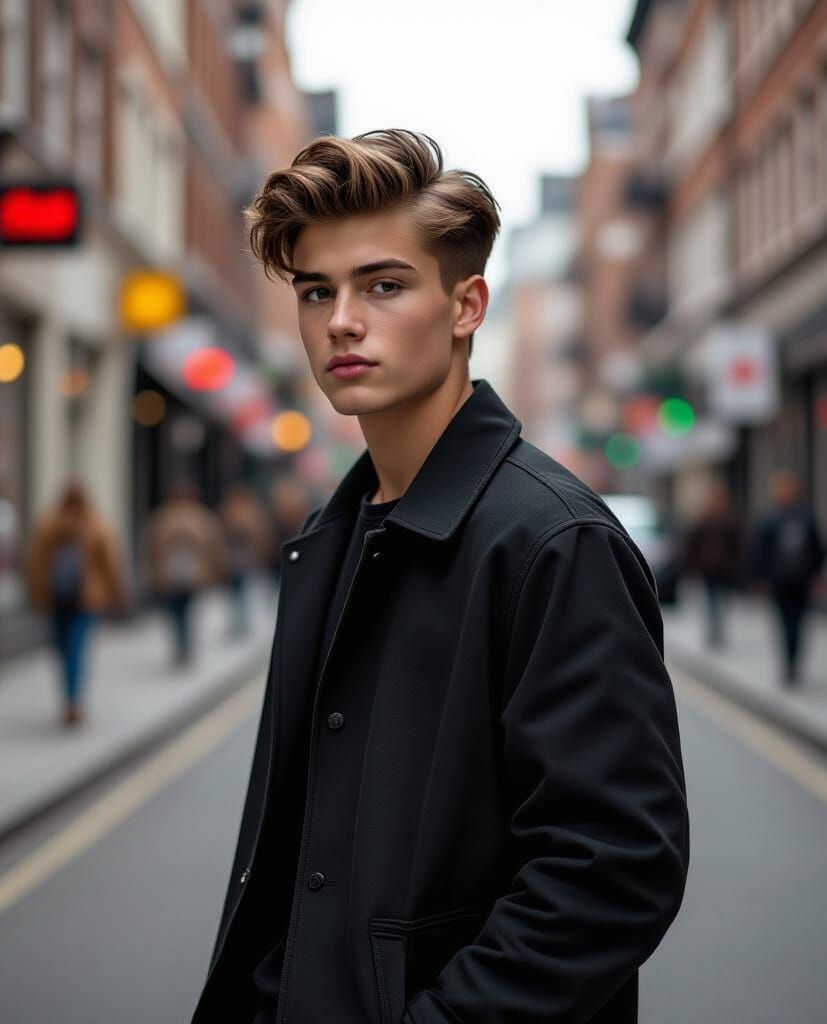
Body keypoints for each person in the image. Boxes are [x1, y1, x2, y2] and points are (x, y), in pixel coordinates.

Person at [191, 130, 689, 1024]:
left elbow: (612, 872)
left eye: (383, 285)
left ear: (467, 306)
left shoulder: (552, 541)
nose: (342, 319)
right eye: (316, 291)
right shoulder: (334, 534)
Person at [26, 479, 127, 727]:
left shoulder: (49, 524)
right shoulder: (96, 524)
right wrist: (118, 595)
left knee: (63, 650)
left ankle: (69, 699)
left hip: (59, 598)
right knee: (76, 650)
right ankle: (73, 699)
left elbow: (34, 564)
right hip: (86, 601)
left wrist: (36, 594)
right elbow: (110, 565)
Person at [751, 469, 827, 686]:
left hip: (801, 580)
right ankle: (788, 664)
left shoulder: (806, 516)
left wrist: (819, 575)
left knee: (799, 623)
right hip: (779, 581)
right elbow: (760, 551)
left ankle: (795, 661)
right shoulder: (769, 518)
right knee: (784, 623)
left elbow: (818, 548)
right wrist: (760, 577)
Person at [146, 481, 226, 665]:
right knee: (186, 611)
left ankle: (181, 646)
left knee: (176, 611)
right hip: (193, 574)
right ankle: (185, 645)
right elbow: (214, 545)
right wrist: (215, 569)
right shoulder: (201, 517)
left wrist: (154, 572)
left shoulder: (163, 517)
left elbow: (151, 547)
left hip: (170, 574)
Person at [683, 483, 744, 648]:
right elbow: (692, 545)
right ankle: (713, 631)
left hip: (725, 569)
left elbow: (737, 546)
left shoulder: (730, 520)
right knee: (710, 600)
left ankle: (719, 630)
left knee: (722, 600)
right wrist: (692, 566)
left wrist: (737, 566)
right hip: (708, 569)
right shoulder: (703, 521)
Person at [218, 481, 276, 638]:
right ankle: (240, 619)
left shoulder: (246, 509)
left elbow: (259, 531)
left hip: (242, 554)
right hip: (234, 554)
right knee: (236, 587)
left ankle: (241, 619)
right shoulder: (236, 509)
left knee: (239, 586)